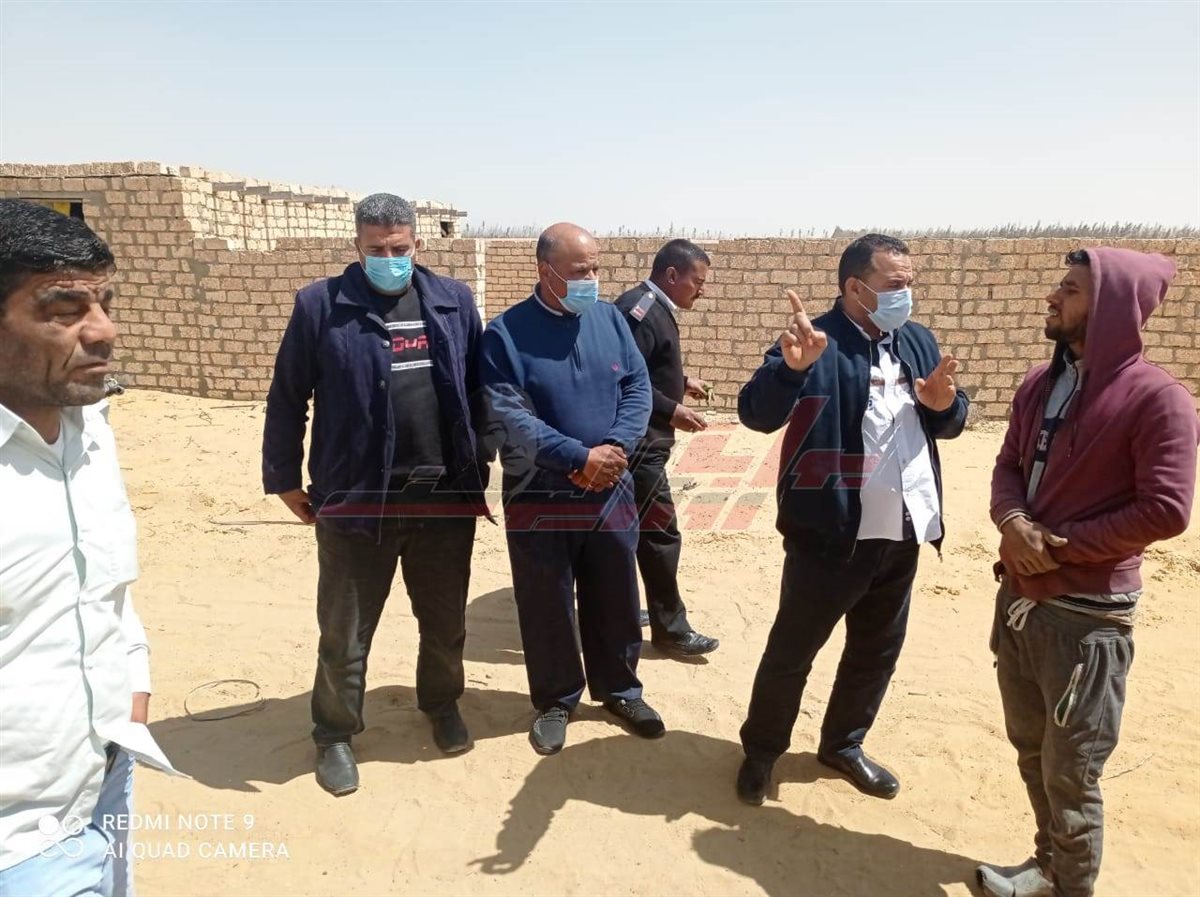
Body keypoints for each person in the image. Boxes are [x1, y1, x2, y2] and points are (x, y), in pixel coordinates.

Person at [978, 248, 1197, 897]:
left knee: (1072, 773)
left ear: (1111, 308)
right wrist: (1013, 522)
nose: (1052, 296)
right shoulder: (1038, 384)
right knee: (1031, 750)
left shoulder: (1160, 400)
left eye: (1070, 289)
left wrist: (1059, 547)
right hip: (1021, 602)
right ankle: (1048, 866)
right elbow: (1008, 465)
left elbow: (1166, 509)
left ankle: (1070, 885)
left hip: (1086, 621)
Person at [262, 193, 490, 796]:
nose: (390, 259)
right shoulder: (321, 305)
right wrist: (283, 477)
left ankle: (441, 703)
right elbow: (288, 396)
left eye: (399, 248)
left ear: (418, 243)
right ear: (357, 247)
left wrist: (483, 458)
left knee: (444, 621)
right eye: (377, 250)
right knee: (345, 631)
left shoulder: (453, 300)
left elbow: (478, 388)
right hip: (358, 498)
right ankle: (335, 733)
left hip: (442, 499)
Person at [734, 233, 968, 803]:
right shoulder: (814, 341)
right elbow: (755, 413)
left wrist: (946, 407)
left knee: (875, 650)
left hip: (903, 530)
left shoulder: (917, 340)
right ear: (855, 288)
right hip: (832, 535)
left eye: (910, 283)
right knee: (793, 651)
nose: (906, 294)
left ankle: (843, 744)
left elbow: (948, 417)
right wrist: (791, 372)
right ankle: (762, 752)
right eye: (895, 284)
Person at [0, 199, 176, 896]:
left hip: (105, 781)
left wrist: (133, 685)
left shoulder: (89, 428)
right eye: (65, 309)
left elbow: (101, 589)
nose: (104, 330)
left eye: (105, 302)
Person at [479, 222, 664, 756]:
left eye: (596, 268)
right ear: (547, 271)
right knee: (548, 599)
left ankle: (621, 690)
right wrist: (578, 458)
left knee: (616, 593)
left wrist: (614, 447)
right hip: (539, 494)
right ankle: (557, 700)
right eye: (581, 271)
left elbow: (637, 386)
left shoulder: (610, 319)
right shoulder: (506, 334)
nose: (593, 279)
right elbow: (508, 415)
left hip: (611, 487)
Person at [614, 239, 720, 657]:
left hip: (647, 442)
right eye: (698, 281)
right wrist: (671, 409)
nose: (702, 290)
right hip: (638, 445)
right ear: (672, 275)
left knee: (634, 533)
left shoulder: (655, 308)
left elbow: (647, 366)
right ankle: (671, 629)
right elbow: (622, 377)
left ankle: (626, 608)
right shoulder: (639, 311)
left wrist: (682, 381)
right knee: (660, 534)